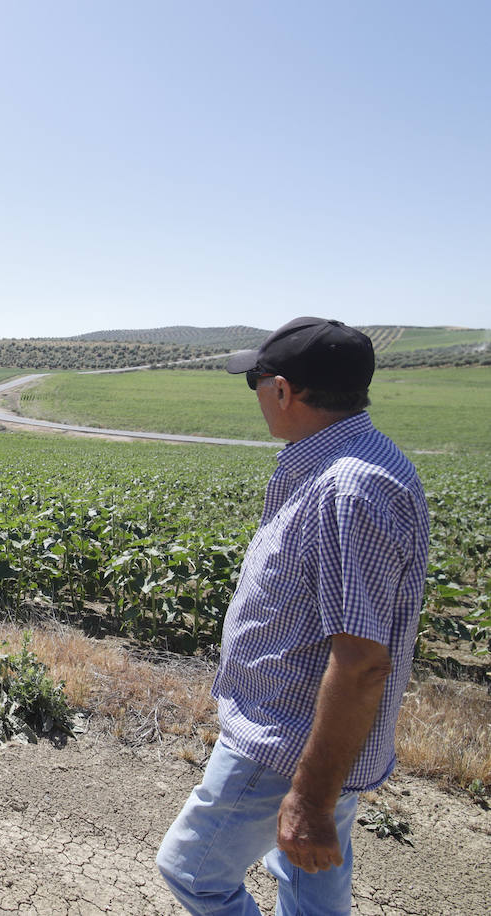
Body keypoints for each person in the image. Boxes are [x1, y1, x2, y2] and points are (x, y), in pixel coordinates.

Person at [156, 317, 430, 916]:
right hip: (318, 738)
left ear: (283, 390)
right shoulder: (355, 460)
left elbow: (361, 663)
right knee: (307, 875)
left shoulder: (345, 488)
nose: (253, 394)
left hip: (283, 743)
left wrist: (309, 794)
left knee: (191, 871)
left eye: (255, 380)